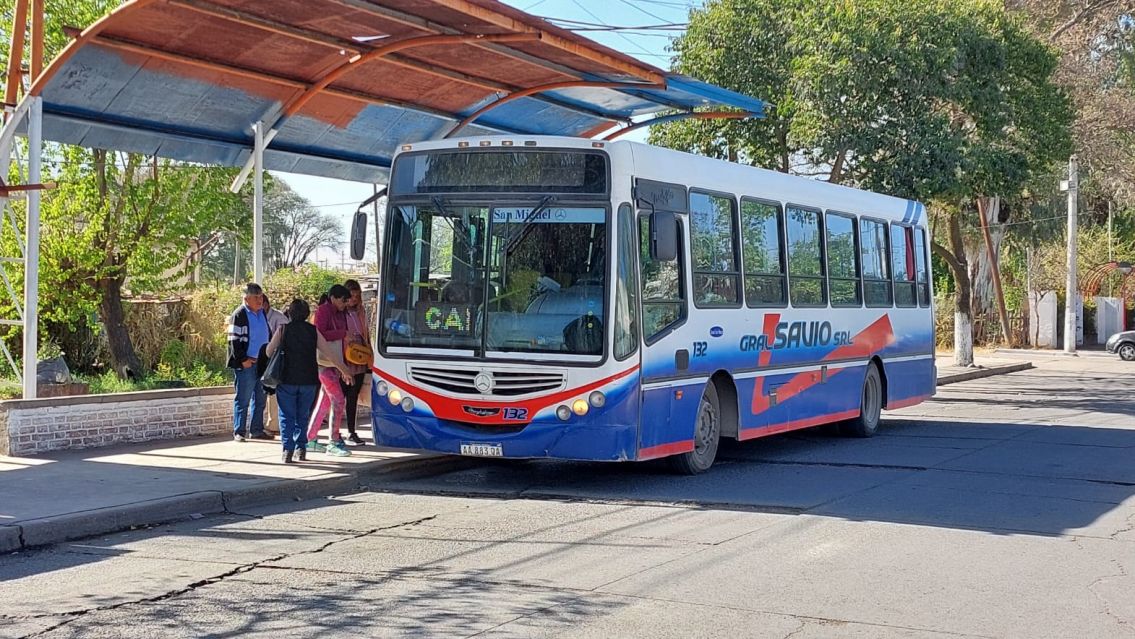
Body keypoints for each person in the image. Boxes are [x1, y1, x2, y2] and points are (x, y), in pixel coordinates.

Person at [264, 299, 319, 463]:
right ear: (307, 314)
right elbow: (327, 351)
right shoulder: (313, 331)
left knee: (286, 416)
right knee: (302, 416)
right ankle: (301, 448)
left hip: (287, 379)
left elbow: (268, 351)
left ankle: (287, 450)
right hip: (309, 380)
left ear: (290, 313)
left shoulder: (283, 329)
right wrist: (343, 369)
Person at [305, 285, 355, 457]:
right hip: (325, 364)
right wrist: (342, 334)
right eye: (343, 300)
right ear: (333, 297)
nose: (345, 304)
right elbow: (320, 336)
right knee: (338, 400)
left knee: (325, 402)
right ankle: (333, 441)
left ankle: (310, 438)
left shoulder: (340, 313)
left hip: (334, 363)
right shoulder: (323, 311)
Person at [227, 283, 274, 441]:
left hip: (261, 363)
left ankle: (257, 430)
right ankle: (239, 431)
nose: (260, 300)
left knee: (260, 399)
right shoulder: (239, 315)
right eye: (256, 297)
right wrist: (243, 360)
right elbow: (234, 341)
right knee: (243, 399)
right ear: (247, 298)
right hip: (247, 363)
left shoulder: (261, 313)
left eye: (261, 296)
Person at [342, 279, 371, 446]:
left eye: (357, 296)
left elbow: (365, 332)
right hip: (345, 359)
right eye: (351, 296)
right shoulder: (341, 313)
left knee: (353, 396)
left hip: (360, 358)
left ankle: (351, 431)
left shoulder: (361, 312)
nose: (354, 299)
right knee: (339, 397)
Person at [262, 294, 290, 435]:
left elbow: (278, 342)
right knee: (267, 392)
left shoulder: (279, 318)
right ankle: (270, 422)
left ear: (266, 304)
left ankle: (274, 424)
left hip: (276, 359)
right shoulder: (259, 316)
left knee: (273, 391)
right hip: (265, 359)